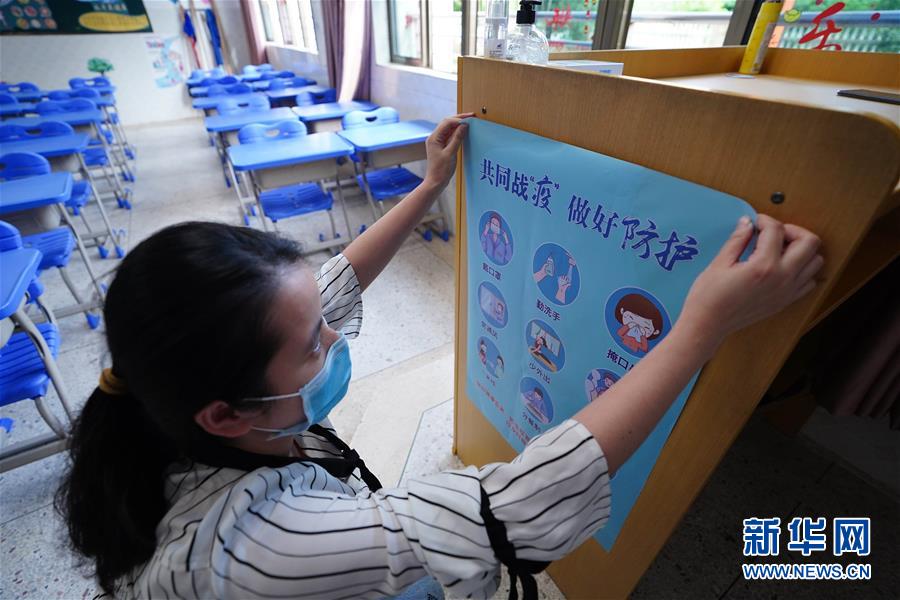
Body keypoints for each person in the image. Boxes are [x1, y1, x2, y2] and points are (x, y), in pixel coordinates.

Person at [57, 106, 823, 598]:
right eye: (314, 343)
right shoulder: (255, 548)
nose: (335, 335)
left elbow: (330, 286)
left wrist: (430, 188)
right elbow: (516, 510)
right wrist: (701, 328)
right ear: (226, 414)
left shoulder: (174, 401)